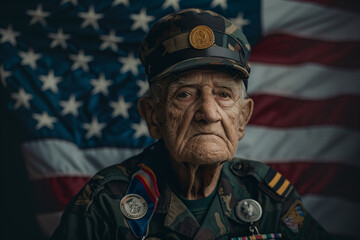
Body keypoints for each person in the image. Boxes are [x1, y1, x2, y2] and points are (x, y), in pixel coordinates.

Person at [51, 8, 333, 240]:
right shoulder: (106, 204)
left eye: (224, 94)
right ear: (153, 116)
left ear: (243, 118)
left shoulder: (267, 196)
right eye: (184, 94)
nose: (208, 113)